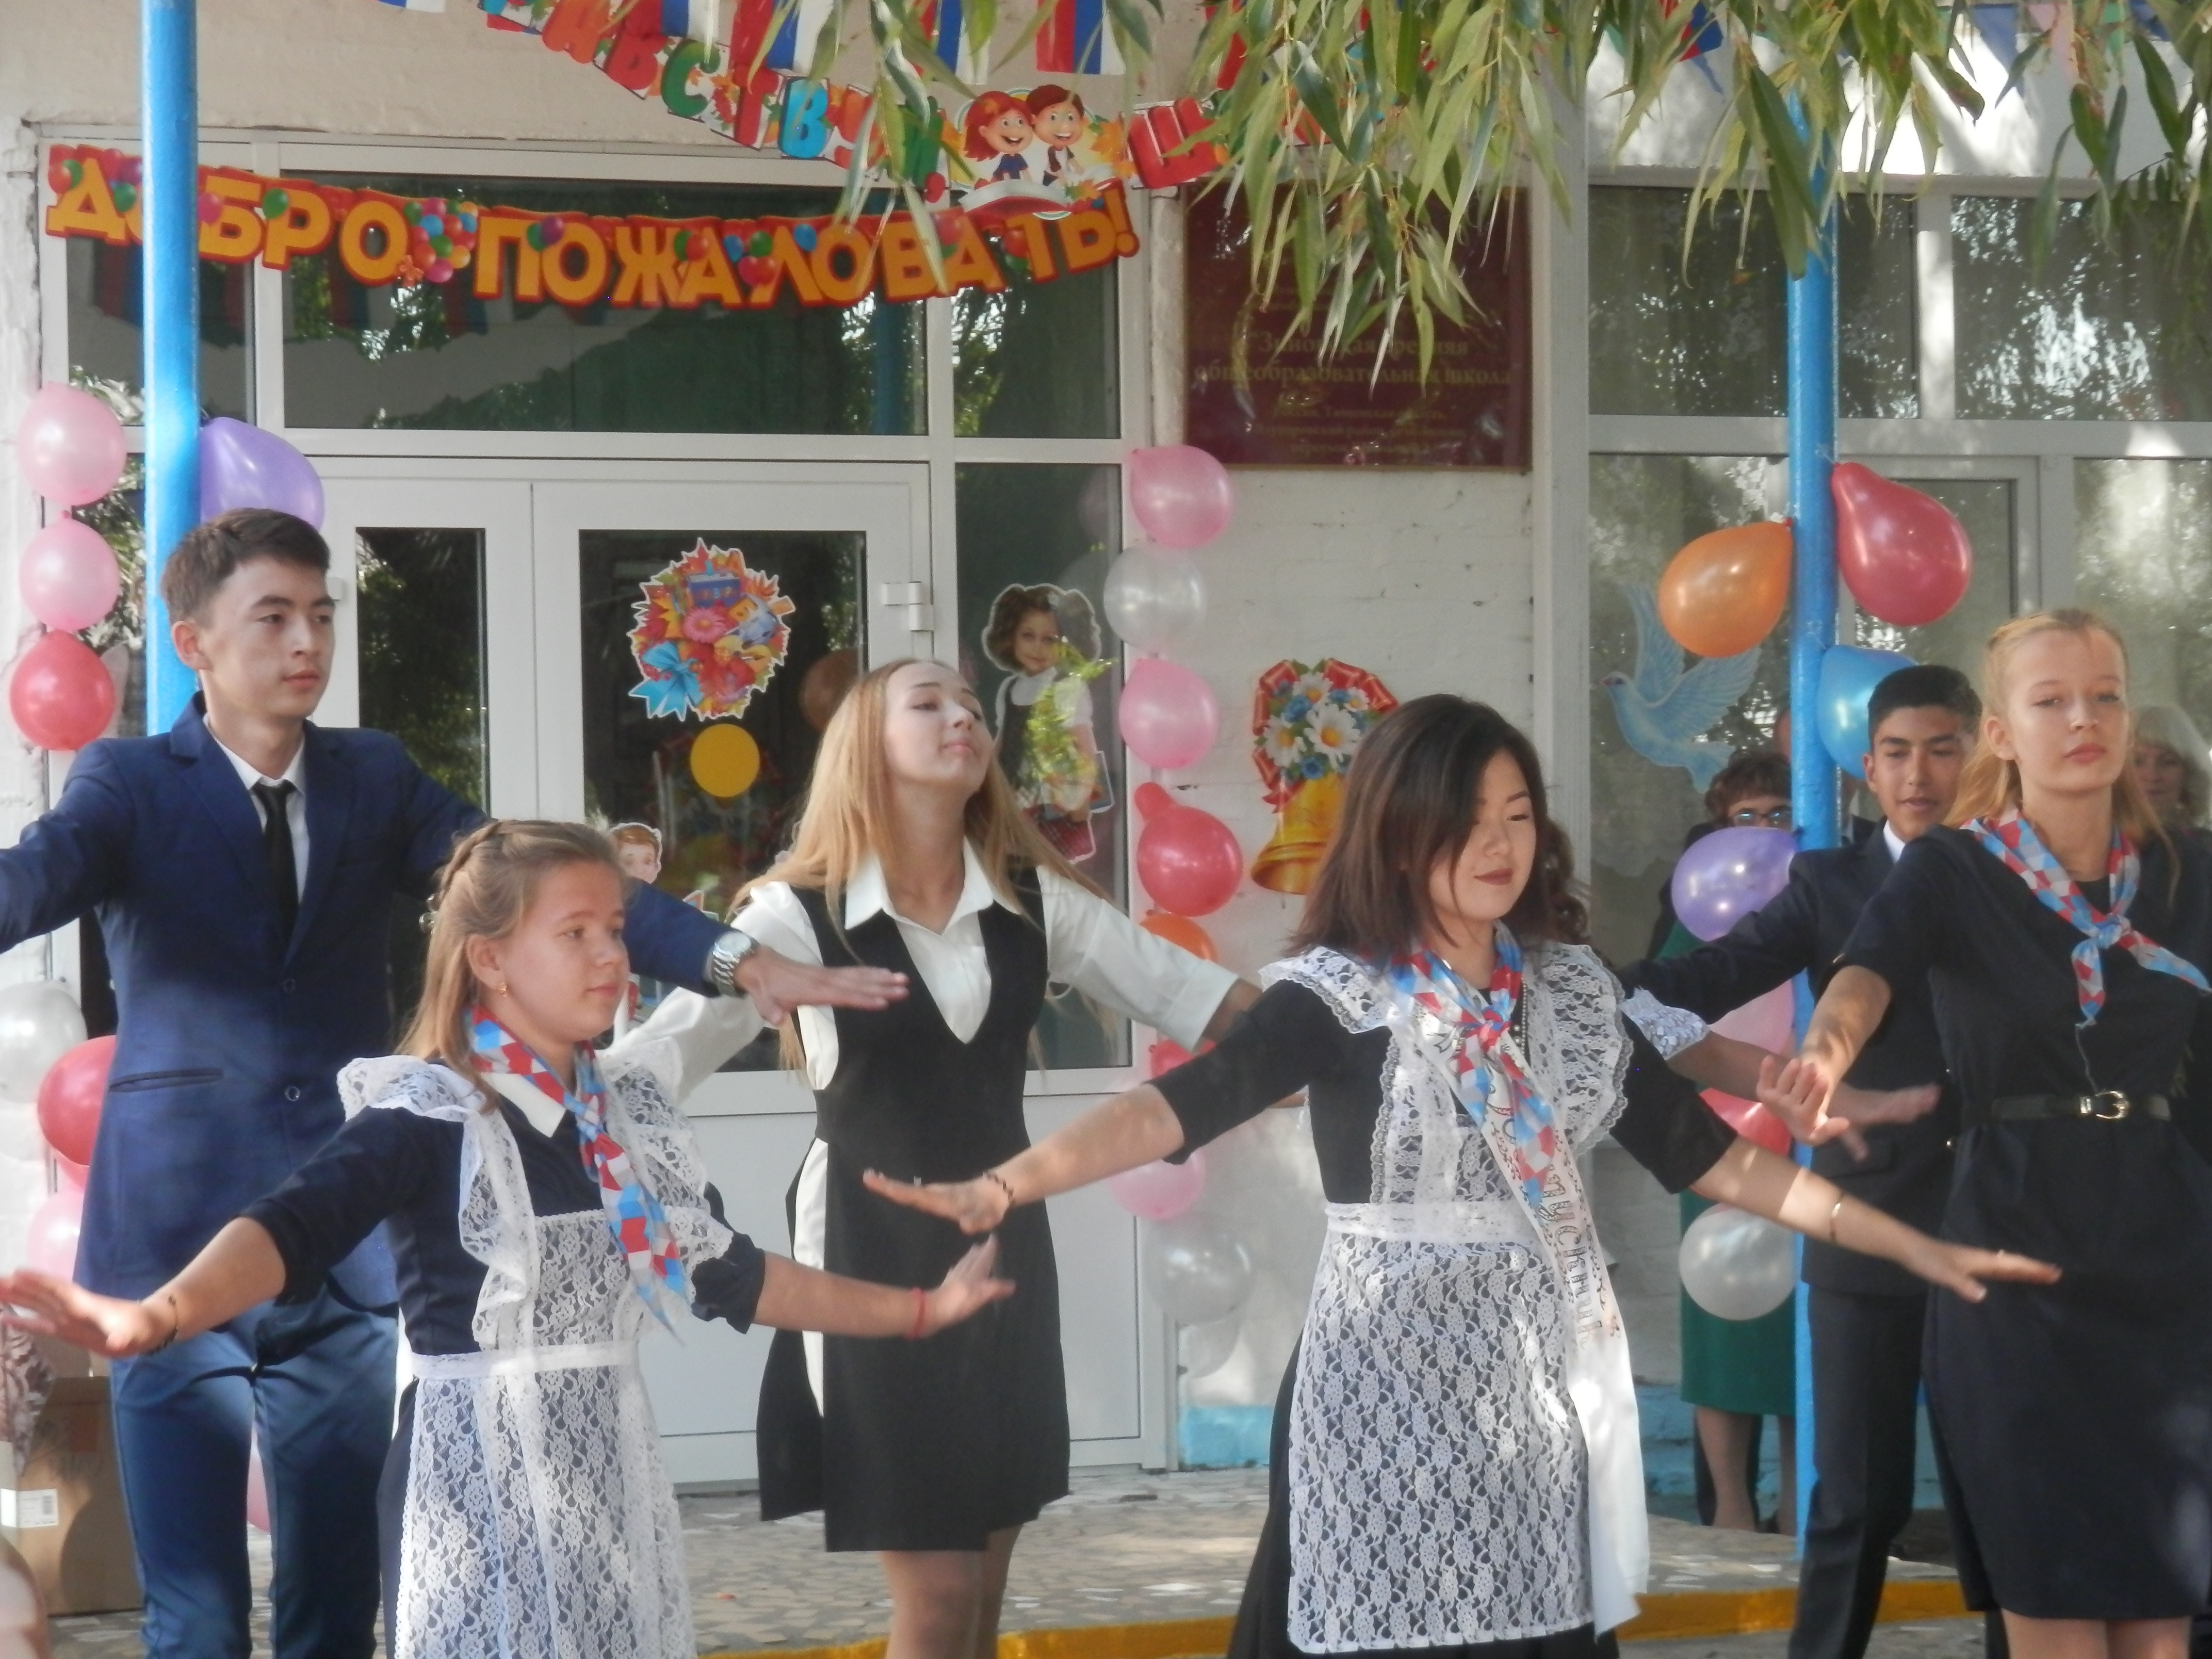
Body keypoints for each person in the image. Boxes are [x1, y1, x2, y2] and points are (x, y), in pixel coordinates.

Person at [871, 694, 2053, 1659]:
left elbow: (1721, 1161)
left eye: (1517, 815)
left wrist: (1910, 1241)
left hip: (1532, 1402)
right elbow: (1173, 1107)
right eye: (1466, 819)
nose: (1498, 845)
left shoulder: (1571, 993)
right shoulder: (1338, 993)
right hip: (1373, 1398)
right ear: (1398, 835)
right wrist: (1009, 1184)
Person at [0, 510, 902, 1659]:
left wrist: (739, 962)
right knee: (198, 1617)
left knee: (336, 1601)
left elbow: (540, 883)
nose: (305, 641)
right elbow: (32, 881)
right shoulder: (129, 781)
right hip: (173, 1243)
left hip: (341, 1254)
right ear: (193, 642)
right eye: (271, 617)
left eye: (320, 614)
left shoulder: (372, 775)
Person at [0, 821, 1009, 1659]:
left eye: (616, 930)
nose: (611, 956)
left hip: (608, 1494)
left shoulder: (627, 1118)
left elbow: (735, 1276)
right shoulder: (429, 1114)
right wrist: (158, 1316)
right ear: (488, 960)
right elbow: (289, 1227)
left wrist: (917, 1310)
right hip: (470, 1501)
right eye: (575, 933)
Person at [625, 658, 1251, 1659]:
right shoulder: (790, 918)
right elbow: (648, 1069)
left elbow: (1196, 995)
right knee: (941, 1593)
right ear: (863, 746)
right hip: (864, 1252)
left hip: (1004, 1246)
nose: (961, 716)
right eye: (927, 703)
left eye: (969, 705)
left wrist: (1349, 1026)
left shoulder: (1036, 901)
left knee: (985, 1582)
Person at [1771, 609, 2212, 1658]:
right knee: (2053, 1604)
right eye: (2050, 701)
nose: (2082, 720)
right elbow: (1865, 973)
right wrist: (1824, 1053)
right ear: (2002, 735)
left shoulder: (2188, 870)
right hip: (2012, 1246)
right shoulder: (1952, 867)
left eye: (2102, 696)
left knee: (2160, 1621)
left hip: (2163, 1250)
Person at [1625, 664, 1984, 1659]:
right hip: (1863, 1209)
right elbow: (1709, 975)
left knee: (2002, 1488)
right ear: (1865, 766)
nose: (1918, 775)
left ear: (1978, 755)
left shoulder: (2018, 878)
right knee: (1852, 1499)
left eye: (1941, 749)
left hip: (1998, 1206)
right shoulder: (1827, 883)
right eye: (1896, 753)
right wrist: (1566, 983)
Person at [1658, 746, 1797, 1531]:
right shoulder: (1697, 915)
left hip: (1804, 1141)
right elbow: (1660, 1020)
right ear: (1719, 827)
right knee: (1719, 1335)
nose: (1764, 830)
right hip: (1717, 1148)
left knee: (1798, 1337)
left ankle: (1800, 1506)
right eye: (1747, 816)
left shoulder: (1825, 906)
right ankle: (1733, 1511)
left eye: (1779, 814)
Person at [981, 583, 1109, 864]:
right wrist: (987, 779)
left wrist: (1082, 800)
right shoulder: (1010, 688)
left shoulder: (1065, 688)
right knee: (1015, 858)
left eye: (1050, 640)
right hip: (1016, 791)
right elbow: (1004, 740)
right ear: (1011, 637)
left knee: (1051, 864)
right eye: (1028, 636)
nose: (1037, 648)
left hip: (1055, 795)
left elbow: (1085, 747)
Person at [2132, 704, 2212, 841]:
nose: (2152, 776)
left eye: (2168, 762)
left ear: (2189, 773)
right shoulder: (2096, 845)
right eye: (2137, 762)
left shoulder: (2204, 848)